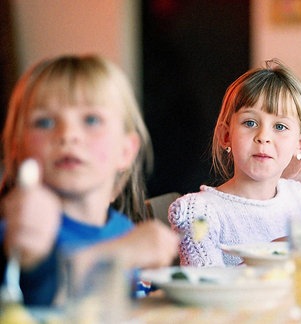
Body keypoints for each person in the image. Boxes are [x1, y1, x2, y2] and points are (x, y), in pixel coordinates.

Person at [169, 59, 301, 267]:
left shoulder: (300, 196)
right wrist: (275, 252)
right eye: (250, 122)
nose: (263, 136)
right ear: (226, 136)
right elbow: (205, 287)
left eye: (280, 127)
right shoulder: (199, 212)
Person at [0, 54, 179, 306]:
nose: (68, 134)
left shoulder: (122, 230)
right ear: (18, 149)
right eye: (45, 122)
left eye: (91, 120)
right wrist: (120, 253)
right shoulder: (20, 233)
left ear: (126, 151)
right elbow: (34, 297)